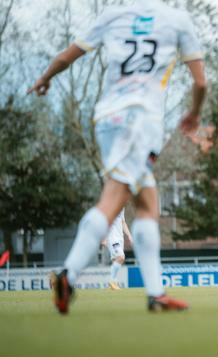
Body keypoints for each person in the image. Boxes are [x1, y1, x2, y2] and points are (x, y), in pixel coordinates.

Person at [28, 0, 207, 313]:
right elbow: (201, 82)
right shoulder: (177, 20)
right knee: (115, 198)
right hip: (142, 121)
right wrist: (193, 114)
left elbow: (67, 56)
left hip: (108, 119)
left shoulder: (113, 15)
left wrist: (45, 78)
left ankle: (155, 294)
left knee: (147, 202)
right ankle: (67, 276)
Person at [103, 208, 132, 290]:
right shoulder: (111, 204)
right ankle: (112, 281)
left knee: (115, 260)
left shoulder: (122, 206)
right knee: (121, 257)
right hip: (112, 238)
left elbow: (123, 222)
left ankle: (113, 284)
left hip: (120, 238)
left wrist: (129, 235)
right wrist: (103, 238)